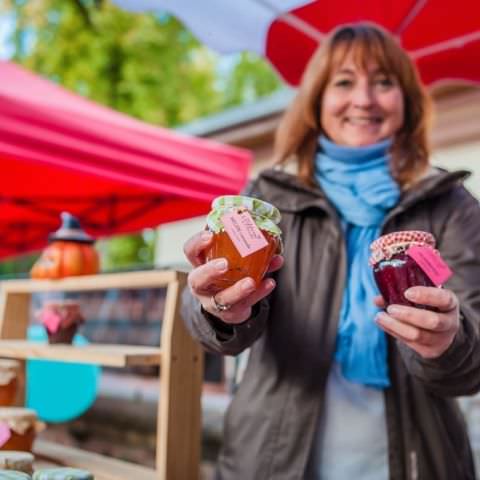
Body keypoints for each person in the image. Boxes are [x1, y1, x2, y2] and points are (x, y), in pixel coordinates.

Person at [182, 22, 480, 480]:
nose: (364, 99)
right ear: (317, 99)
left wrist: (448, 341)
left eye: (384, 82)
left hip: (419, 458)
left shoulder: (448, 204)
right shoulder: (267, 199)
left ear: (407, 101)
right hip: (272, 455)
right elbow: (218, 330)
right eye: (344, 82)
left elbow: (474, 353)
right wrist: (216, 308)